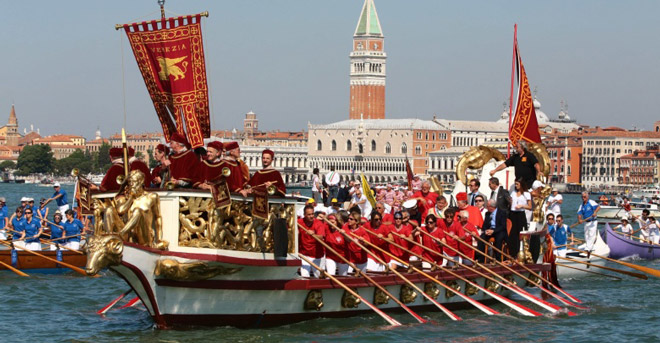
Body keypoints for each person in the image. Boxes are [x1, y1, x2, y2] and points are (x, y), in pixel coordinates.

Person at [297, 204, 326, 278]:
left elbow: (321, 236)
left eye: (312, 214)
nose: (311, 216)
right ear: (304, 215)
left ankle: (319, 289)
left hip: (317, 255)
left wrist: (313, 235)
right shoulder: (299, 222)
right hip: (304, 254)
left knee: (319, 277)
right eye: (309, 214)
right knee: (304, 276)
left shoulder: (318, 223)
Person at [509, 178, 532, 259]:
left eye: (517, 184)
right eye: (515, 184)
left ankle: (521, 252)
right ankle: (513, 253)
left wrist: (522, 206)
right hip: (512, 214)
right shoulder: (513, 193)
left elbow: (530, 207)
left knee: (521, 233)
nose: (516, 186)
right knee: (512, 234)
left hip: (520, 214)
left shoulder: (526, 194)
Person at [344, 208, 370, 274]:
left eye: (351, 219)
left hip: (361, 257)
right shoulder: (346, 226)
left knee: (362, 276)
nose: (348, 220)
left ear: (356, 221)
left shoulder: (362, 230)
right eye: (348, 218)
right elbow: (347, 239)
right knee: (348, 274)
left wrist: (363, 241)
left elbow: (367, 244)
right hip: (350, 257)